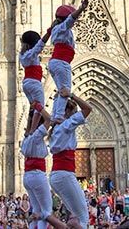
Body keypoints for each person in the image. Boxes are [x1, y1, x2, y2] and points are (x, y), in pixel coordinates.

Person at [49, 93, 92, 228]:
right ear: (67, 112)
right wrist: (71, 95)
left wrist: (58, 99)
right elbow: (88, 109)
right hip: (65, 175)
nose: (75, 114)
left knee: (74, 217)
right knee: (83, 218)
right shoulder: (67, 125)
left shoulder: (55, 128)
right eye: (73, 112)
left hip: (55, 176)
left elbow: (54, 113)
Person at [48, 0, 88, 123]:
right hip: (61, 62)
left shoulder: (58, 29)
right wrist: (81, 8)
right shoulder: (62, 28)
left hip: (56, 62)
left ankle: (56, 114)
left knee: (61, 91)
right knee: (65, 90)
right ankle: (59, 116)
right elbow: (71, 20)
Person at [19, 29, 52, 108]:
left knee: (34, 107)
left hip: (26, 84)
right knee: (40, 108)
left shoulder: (22, 55)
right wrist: (49, 32)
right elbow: (40, 45)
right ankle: (41, 120)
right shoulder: (31, 55)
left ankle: (33, 120)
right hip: (34, 83)